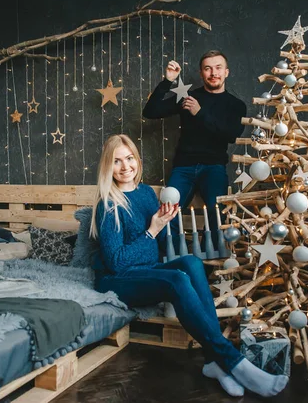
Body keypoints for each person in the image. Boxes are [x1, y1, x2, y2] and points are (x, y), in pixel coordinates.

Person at [90, 134, 288, 398]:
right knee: (176, 280)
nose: (126, 167)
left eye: (129, 158)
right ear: (107, 167)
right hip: (117, 280)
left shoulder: (147, 193)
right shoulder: (108, 203)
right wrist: (152, 229)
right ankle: (232, 362)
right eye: (117, 161)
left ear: (137, 160)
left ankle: (214, 363)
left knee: (192, 262)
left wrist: (167, 219)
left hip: (146, 270)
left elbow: (159, 244)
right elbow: (116, 262)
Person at [143, 50, 247, 241]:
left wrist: (199, 113)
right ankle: (170, 258)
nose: (213, 73)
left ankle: (216, 264)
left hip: (214, 167)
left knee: (218, 218)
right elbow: (150, 112)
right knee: (167, 213)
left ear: (226, 72)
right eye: (208, 68)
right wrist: (168, 81)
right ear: (201, 73)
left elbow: (231, 134)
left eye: (218, 68)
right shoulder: (187, 97)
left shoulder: (236, 105)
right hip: (183, 167)